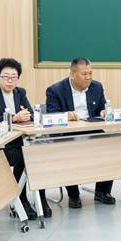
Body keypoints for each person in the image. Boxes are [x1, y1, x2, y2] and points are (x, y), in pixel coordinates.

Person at [0, 58, 48, 219]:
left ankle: (41, 199)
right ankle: (21, 199)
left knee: (39, 154)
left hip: (21, 138)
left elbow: (30, 113)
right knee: (22, 157)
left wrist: (26, 115)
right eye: (6, 77)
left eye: (14, 77)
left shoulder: (20, 92)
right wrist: (14, 118)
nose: (10, 81)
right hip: (2, 144)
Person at [45, 57, 114, 208]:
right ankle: (73, 195)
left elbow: (101, 107)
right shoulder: (55, 90)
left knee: (109, 144)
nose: (88, 77)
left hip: (91, 129)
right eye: (84, 74)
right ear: (72, 74)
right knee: (67, 150)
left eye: (90, 73)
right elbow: (51, 115)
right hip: (67, 133)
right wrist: (66, 116)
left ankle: (102, 191)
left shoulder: (96, 87)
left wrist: (103, 111)